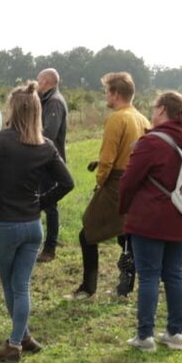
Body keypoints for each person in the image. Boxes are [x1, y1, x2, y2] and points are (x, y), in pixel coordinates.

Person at [0, 82, 74, 362]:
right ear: (36, 112)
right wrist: (40, 203)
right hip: (32, 225)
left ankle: (14, 344)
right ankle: (24, 336)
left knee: (11, 286)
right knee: (21, 286)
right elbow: (67, 182)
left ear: (12, 109)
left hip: (4, 223)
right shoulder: (45, 145)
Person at [118, 91, 182, 352]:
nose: (152, 111)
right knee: (175, 273)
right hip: (181, 215)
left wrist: (123, 209)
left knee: (149, 276)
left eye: (155, 107)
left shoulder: (151, 142)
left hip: (150, 218)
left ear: (163, 110)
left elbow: (128, 181)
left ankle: (145, 336)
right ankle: (176, 333)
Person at [69, 72, 149, 300]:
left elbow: (108, 159)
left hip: (117, 182)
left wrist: (100, 182)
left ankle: (88, 288)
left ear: (116, 94)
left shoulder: (117, 118)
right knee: (126, 235)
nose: (105, 95)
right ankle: (125, 288)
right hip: (138, 182)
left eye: (106, 91)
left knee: (88, 232)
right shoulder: (142, 119)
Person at [36, 68, 69, 263]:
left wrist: (29, 135)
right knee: (43, 201)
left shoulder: (54, 101)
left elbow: (50, 133)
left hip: (49, 161)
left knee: (49, 205)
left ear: (47, 82)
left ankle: (50, 248)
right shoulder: (47, 100)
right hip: (44, 159)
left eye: (39, 80)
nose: (37, 83)